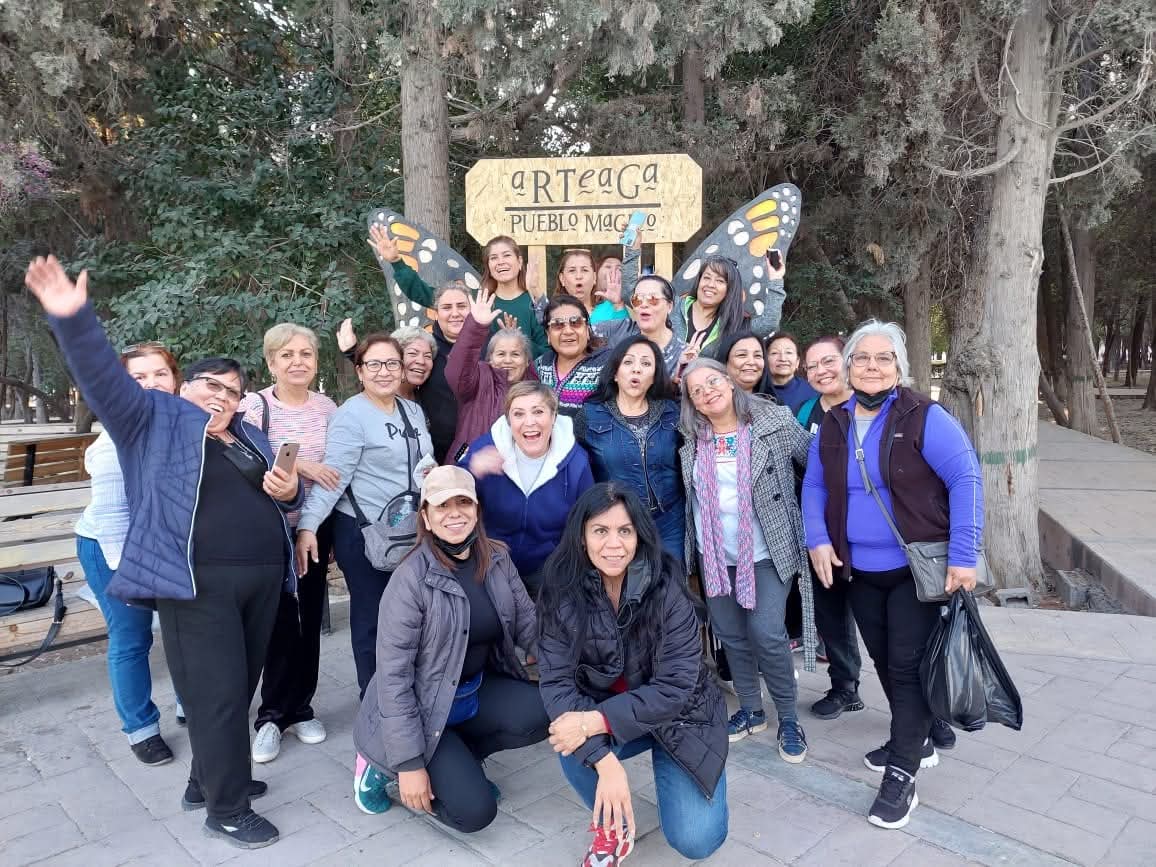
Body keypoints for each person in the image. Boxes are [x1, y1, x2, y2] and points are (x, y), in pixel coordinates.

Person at [27, 256, 301, 849]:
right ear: (185, 387)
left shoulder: (250, 435)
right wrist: (73, 318)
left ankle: (208, 780)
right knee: (218, 692)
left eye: (232, 390)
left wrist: (289, 489)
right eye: (210, 386)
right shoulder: (152, 421)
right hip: (196, 583)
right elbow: (103, 378)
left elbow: (281, 490)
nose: (222, 397)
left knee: (238, 685)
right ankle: (226, 811)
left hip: (260, 579)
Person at [802, 320, 983, 830]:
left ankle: (902, 772)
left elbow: (966, 478)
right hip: (859, 569)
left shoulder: (926, 417)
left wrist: (964, 556)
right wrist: (817, 537)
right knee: (884, 660)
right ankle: (918, 734)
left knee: (905, 667)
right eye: (863, 357)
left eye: (884, 358)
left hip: (916, 570)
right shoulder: (834, 422)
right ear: (848, 366)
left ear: (899, 367)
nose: (873, 366)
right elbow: (815, 485)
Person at [538, 484, 729, 865]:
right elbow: (556, 683)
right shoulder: (561, 591)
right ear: (581, 537)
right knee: (568, 735)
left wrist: (596, 720)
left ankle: (684, 770)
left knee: (697, 840)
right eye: (600, 531)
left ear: (639, 535)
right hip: (613, 714)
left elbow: (676, 686)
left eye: (624, 531)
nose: (614, 544)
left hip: (683, 716)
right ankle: (614, 827)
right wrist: (604, 763)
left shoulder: (667, 587)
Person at [351, 465, 549, 830]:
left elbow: (531, 627)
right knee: (475, 813)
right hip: (422, 707)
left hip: (473, 690)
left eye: (464, 502)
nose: (455, 513)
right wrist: (410, 766)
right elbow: (394, 678)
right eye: (442, 506)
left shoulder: (497, 559)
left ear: (477, 509)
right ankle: (380, 765)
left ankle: (458, 759)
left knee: (549, 710)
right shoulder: (409, 580)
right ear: (425, 516)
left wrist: (582, 677)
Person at [678, 358, 814, 762]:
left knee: (767, 632)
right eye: (696, 390)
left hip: (767, 550)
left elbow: (818, 466)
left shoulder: (773, 423)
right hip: (717, 555)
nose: (707, 391)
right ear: (693, 404)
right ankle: (752, 711)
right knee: (731, 635)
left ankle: (789, 718)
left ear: (729, 380)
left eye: (712, 381)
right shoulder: (691, 441)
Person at [296, 334, 433, 697]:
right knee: (372, 618)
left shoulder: (412, 411)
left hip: (409, 530)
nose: (384, 371)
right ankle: (375, 700)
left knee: (409, 613)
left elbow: (421, 463)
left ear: (402, 369)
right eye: (374, 364)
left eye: (392, 363)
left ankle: (408, 690)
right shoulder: (350, 416)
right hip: (364, 532)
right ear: (360, 371)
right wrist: (309, 526)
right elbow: (332, 478)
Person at [73, 341, 184, 766]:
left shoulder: (176, 422)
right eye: (138, 377)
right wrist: (136, 580)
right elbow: (113, 519)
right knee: (132, 636)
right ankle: (141, 728)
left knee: (179, 632)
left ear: (175, 380)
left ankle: (188, 703)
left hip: (163, 549)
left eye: (160, 373)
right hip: (112, 550)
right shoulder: (114, 441)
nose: (151, 384)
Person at [240, 324, 339, 764]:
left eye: (305, 354)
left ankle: (301, 708)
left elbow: (336, 471)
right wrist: (307, 465)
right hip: (267, 532)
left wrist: (311, 527)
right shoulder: (252, 407)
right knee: (279, 623)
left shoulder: (327, 408)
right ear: (271, 362)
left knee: (310, 618)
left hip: (314, 526)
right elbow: (246, 465)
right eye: (286, 355)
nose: (297, 362)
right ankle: (271, 717)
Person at [462, 382, 593, 597]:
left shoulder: (576, 461)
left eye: (538, 412)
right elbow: (451, 494)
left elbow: (587, 518)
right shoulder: (487, 448)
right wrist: (471, 469)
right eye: (519, 414)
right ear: (509, 421)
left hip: (547, 569)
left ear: (553, 416)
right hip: (490, 563)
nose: (529, 422)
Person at [353, 235, 475, 462]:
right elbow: (386, 370)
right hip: (432, 457)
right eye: (447, 307)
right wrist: (353, 352)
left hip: (478, 454)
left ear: (472, 310)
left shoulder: (485, 348)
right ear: (436, 312)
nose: (455, 313)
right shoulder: (428, 349)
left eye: (461, 306)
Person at [793, 336, 864, 721]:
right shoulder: (806, 412)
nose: (821, 371)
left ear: (847, 361)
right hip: (823, 530)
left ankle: (920, 702)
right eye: (813, 366)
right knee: (831, 613)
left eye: (828, 362)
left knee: (881, 617)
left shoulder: (868, 406)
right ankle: (844, 685)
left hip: (869, 531)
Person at [573, 336, 685, 556]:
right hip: (618, 521)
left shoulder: (673, 412)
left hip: (670, 521)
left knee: (672, 585)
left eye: (646, 363)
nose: (636, 370)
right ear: (615, 373)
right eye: (628, 362)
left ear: (654, 376)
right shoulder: (589, 415)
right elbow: (578, 471)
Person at [622, 230, 786, 358]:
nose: (710, 285)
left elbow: (769, 323)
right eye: (706, 277)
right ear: (698, 281)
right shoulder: (673, 306)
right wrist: (633, 249)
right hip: (664, 393)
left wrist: (776, 278)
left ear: (730, 290)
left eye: (720, 281)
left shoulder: (734, 324)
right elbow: (630, 293)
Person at [444, 286, 536, 463]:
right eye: (501, 354)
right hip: (468, 468)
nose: (507, 360)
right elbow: (458, 368)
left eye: (515, 354)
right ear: (490, 358)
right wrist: (476, 326)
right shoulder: (479, 378)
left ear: (526, 361)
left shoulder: (534, 386)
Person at [597, 271, 688, 379]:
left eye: (653, 300)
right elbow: (579, 333)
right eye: (637, 300)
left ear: (669, 306)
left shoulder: (683, 353)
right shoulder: (619, 330)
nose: (644, 305)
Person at [535, 295, 610, 415]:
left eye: (576, 322)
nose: (568, 331)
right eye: (558, 324)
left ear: (587, 330)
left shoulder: (607, 364)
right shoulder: (540, 365)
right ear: (548, 334)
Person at [763, 332, 818, 413]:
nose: (783, 358)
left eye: (788, 352)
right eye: (774, 353)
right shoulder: (756, 392)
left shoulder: (813, 392)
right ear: (765, 360)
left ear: (797, 361)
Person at [389, 325, 437, 401]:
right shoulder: (380, 400)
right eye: (412, 353)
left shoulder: (426, 398)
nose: (421, 361)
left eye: (427, 356)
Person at [717, 330, 767, 394]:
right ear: (725, 361)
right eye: (742, 355)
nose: (751, 362)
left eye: (757, 355)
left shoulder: (774, 402)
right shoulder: (713, 401)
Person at [589, 253, 629, 330]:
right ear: (595, 274)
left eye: (619, 269)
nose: (613, 271)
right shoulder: (584, 301)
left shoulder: (627, 305)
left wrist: (618, 305)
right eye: (608, 266)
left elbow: (624, 334)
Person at [555, 248, 598, 313]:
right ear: (562, 279)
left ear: (594, 277)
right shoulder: (553, 316)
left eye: (584, 270)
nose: (578, 276)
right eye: (572, 270)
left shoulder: (607, 313)